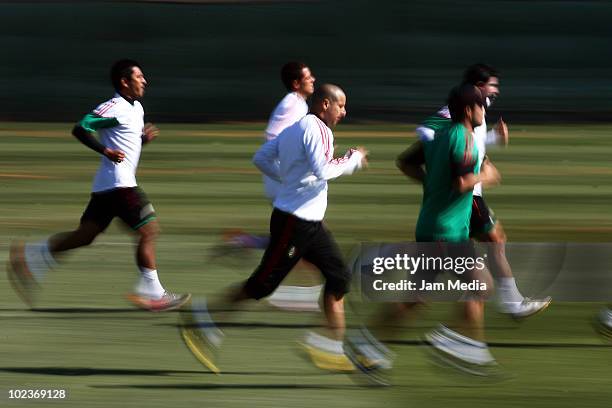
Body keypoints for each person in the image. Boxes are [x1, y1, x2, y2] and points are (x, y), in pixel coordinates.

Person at [179, 84, 368, 373]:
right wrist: (353, 158)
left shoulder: (294, 129)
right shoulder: (318, 129)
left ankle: (331, 347)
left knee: (339, 277)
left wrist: (291, 180)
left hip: (310, 222)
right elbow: (324, 170)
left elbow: (261, 158)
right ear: (326, 104)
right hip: (295, 222)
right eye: (341, 105)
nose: (345, 111)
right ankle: (203, 320)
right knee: (261, 286)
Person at [7, 59, 190, 312]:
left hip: (108, 187)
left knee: (85, 236)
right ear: (125, 82)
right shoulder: (113, 106)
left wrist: (142, 141)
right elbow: (81, 128)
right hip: (120, 186)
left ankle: (30, 256)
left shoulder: (135, 108)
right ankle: (153, 292)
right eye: (139, 77)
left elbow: (125, 145)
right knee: (149, 231)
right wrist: (104, 149)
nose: (144, 81)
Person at [346, 84, 501, 382]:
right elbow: (462, 183)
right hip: (447, 233)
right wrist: (487, 175)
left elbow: (405, 162)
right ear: (470, 110)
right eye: (482, 105)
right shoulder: (465, 138)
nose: (484, 110)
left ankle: (367, 345)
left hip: (433, 226)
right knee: (482, 285)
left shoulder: (439, 134)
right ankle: (458, 344)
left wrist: (432, 184)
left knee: (416, 297)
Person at [416, 64, 551, 318]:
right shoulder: (453, 113)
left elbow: (470, 143)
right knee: (494, 243)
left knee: (431, 278)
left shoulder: (476, 112)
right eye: (493, 85)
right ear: (478, 87)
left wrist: (492, 139)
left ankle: (501, 305)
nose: (496, 91)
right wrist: (443, 169)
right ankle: (507, 305)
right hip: (468, 194)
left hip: (465, 195)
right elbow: (425, 131)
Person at [214, 62, 323, 312]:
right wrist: (288, 170)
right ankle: (304, 293)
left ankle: (245, 242)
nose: (313, 79)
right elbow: (273, 136)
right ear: (296, 83)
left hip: (284, 181)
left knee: (298, 236)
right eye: (308, 77)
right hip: (283, 182)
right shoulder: (292, 104)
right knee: (307, 234)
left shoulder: (299, 104)